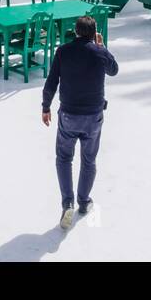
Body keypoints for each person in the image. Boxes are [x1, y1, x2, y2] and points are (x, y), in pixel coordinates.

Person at [41, 15, 119, 229]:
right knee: (89, 159)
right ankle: (84, 201)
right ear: (94, 33)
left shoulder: (63, 51)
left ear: (75, 32)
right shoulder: (99, 51)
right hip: (93, 116)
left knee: (64, 158)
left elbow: (52, 82)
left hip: (69, 115)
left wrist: (46, 106)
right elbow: (114, 70)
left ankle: (68, 203)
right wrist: (102, 47)